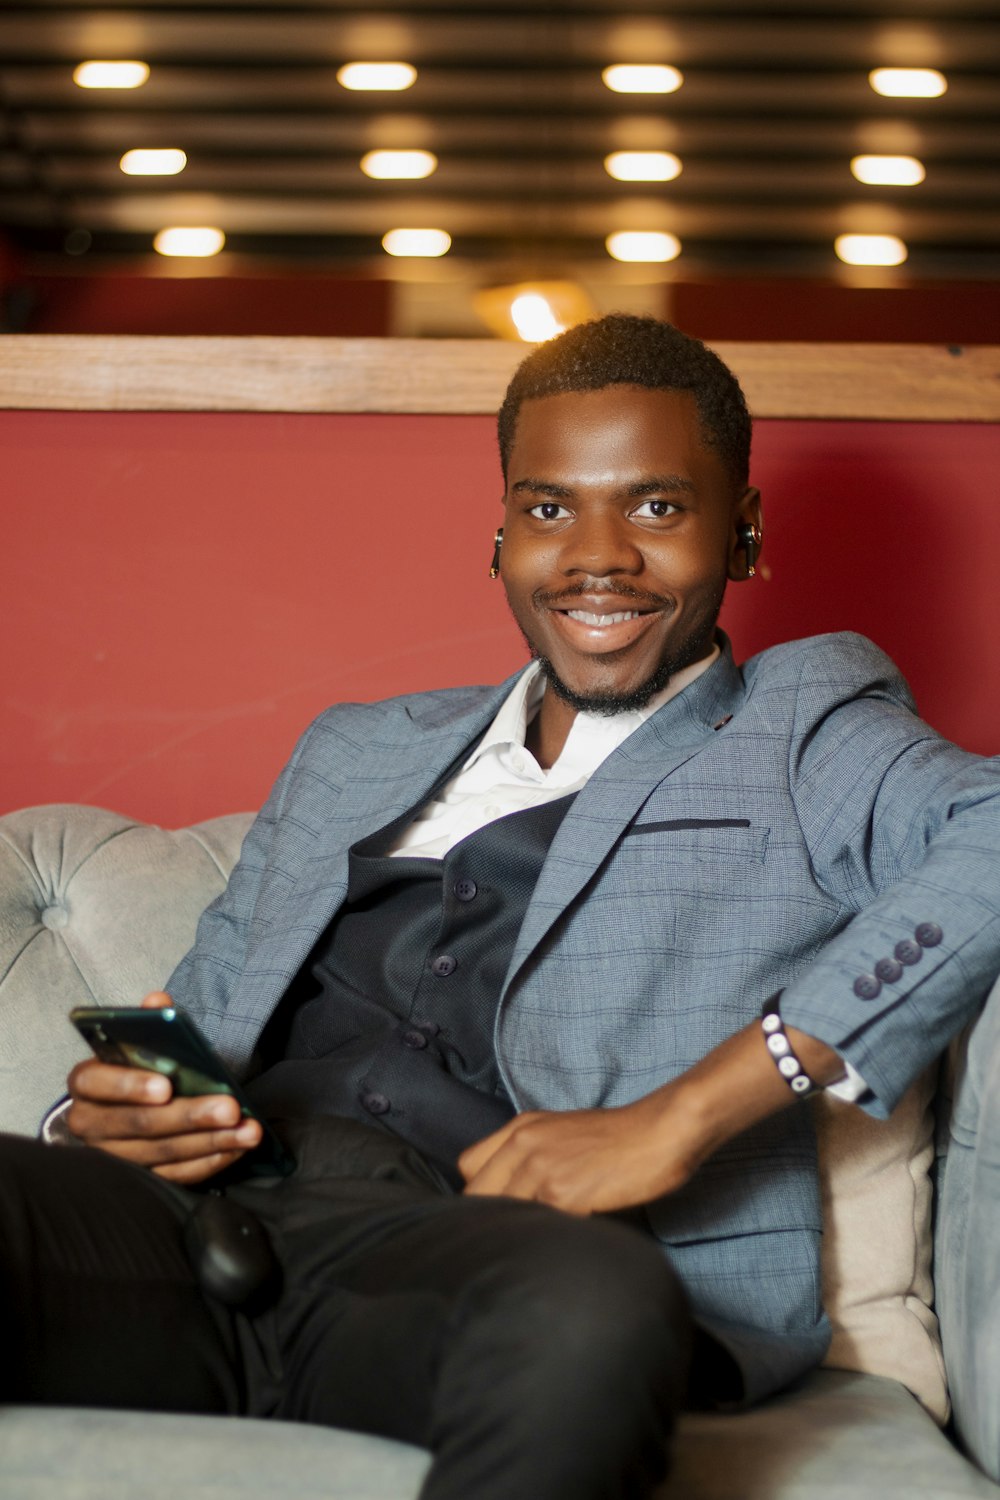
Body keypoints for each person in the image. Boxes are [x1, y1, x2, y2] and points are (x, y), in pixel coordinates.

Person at [4, 315, 1000, 1500]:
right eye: (545, 509)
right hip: (199, 1230)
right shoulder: (358, 750)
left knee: (588, 1314)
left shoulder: (802, 727)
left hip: (491, 1267)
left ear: (743, 530)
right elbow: (206, 1026)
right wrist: (110, 1120)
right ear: (498, 535)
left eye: (655, 507)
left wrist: (679, 1116)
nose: (596, 557)